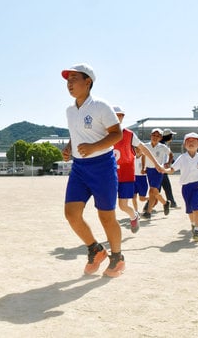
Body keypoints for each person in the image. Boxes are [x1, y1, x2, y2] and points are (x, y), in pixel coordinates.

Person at [61, 63, 125, 278]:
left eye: (74, 79)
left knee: (106, 216)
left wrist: (93, 147)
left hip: (102, 167)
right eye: (67, 80)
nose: (69, 84)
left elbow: (117, 134)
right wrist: (71, 146)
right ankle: (95, 249)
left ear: (87, 81)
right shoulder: (70, 111)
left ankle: (117, 258)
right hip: (79, 168)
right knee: (71, 214)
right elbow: (77, 133)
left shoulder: (100, 106)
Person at [112, 106, 165, 233]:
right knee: (107, 205)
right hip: (109, 174)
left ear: (122, 117)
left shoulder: (129, 135)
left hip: (125, 175)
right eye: (112, 114)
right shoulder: (101, 133)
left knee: (123, 205)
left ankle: (134, 216)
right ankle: (112, 233)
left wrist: (156, 163)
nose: (115, 117)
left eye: (118, 115)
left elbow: (144, 149)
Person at [166, 133, 198, 242]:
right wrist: (164, 170)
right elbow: (172, 169)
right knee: (190, 210)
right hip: (186, 187)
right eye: (188, 142)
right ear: (185, 145)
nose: (191, 143)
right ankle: (193, 224)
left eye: (193, 142)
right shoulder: (182, 158)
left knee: (197, 208)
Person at [142, 128, 171, 219]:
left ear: (160, 138)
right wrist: (143, 167)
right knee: (154, 192)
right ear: (151, 136)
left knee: (152, 191)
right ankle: (165, 203)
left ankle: (148, 212)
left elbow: (171, 154)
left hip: (158, 170)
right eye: (153, 135)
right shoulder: (145, 146)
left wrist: (168, 163)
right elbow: (143, 156)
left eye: (157, 136)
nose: (155, 137)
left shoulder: (162, 147)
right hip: (149, 171)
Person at [160, 128, 178, 208]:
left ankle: (172, 203)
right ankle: (147, 207)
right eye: (171, 136)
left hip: (162, 170)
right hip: (161, 170)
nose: (172, 138)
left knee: (164, 188)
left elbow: (170, 157)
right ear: (168, 136)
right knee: (158, 189)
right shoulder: (162, 145)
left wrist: (175, 164)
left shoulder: (164, 144)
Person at [133, 148, 149, 213]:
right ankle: (136, 212)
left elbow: (149, 169)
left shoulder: (145, 157)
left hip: (142, 179)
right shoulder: (132, 158)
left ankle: (151, 198)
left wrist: (145, 171)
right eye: (136, 148)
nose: (137, 150)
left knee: (141, 199)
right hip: (133, 179)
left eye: (139, 148)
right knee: (133, 197)